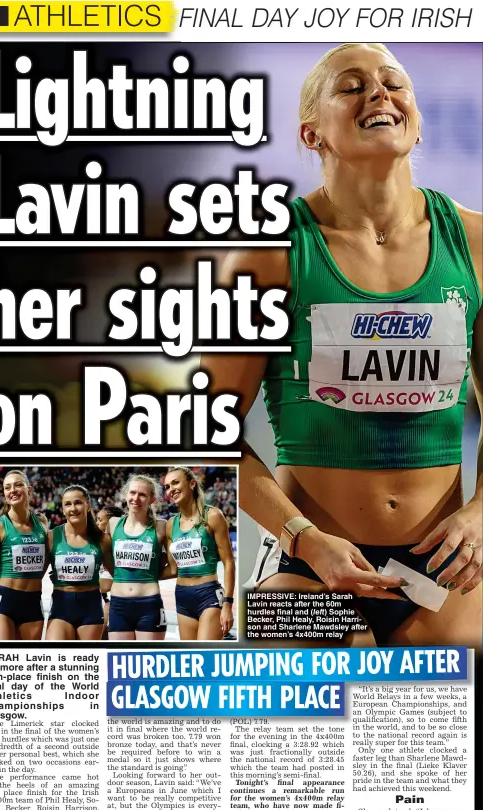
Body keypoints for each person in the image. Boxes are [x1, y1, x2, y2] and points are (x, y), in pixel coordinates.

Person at [202, 42, 482, 648]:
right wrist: (302, 537)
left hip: (445, 565)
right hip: (310, 568)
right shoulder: (269, 252)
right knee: (330, 702)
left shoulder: (476, 244)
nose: (379, 93)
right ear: (311, 133)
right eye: (351, 86)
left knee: (446, 714)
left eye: (392, 82)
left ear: (417, 119)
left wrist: (482, 510)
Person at [164, 466, 235, 640]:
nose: (171, 489)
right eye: (167, 486)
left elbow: (228, 562)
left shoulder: (213, 516)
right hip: (181, 596)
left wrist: (227, 604)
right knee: (189, 656)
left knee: (206, 655)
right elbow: (173, 569)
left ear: (192, 484)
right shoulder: (170, 525)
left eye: (175, 483)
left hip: (208, 594)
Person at [0, 469, 48, 641]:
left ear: (29, 490)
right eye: (7, 487)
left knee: (28, 661)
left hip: (33, 600)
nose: (13, 490)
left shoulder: (42, 522)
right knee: (3, 658)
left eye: (18, 485)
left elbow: (45, 559)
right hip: (6, 600)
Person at [46, 485, 113, 641]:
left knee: (87, 661)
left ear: (88, 505)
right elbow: (34, 575)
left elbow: (119, 575)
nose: (73, 508)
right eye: (67, 504)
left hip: (91, 610)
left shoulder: (102, 540)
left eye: (78, 502)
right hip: (60, 609)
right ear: (62, 509)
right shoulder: (51, 537)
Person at [107, 475, 169, 641]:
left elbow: (174, 567)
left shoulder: (161, 527)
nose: (136, 498)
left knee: (147, 662)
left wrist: (148, 576)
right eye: (132, 493)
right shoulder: (113, 524)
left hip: (149, 604)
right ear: (126, 494)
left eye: (142, 494)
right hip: (118, 606)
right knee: (120, 663)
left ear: (152, 499)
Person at [96, 505, 124, 638]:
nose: (96, 523)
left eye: (99, 520)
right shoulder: (101, 542)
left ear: (112, 521)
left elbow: (106, 585)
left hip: (114, 601)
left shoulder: (117, 545)